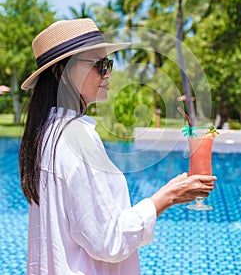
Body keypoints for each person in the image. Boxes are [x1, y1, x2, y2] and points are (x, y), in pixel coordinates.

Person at [19, 18, 217, 275]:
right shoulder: (76, 137)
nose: (108, 72)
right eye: (98, 64)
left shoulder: (45, 133)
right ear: (61, 72)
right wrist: (167, 196)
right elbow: (108, 240)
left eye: (108, 64)